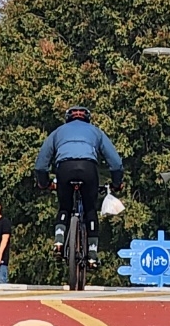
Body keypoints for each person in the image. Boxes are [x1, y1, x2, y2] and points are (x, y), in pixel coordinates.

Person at [34, 107, 123, 264]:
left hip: (65, 169)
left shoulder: (57, 132)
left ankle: (59, 241)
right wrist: (116, 183)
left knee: (64, 207)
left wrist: (44, 183)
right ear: (88, 119)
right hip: (88, 168)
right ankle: (93, 255)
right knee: (90, 209)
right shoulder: (96, 132)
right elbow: (115, 162)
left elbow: (41, 164)